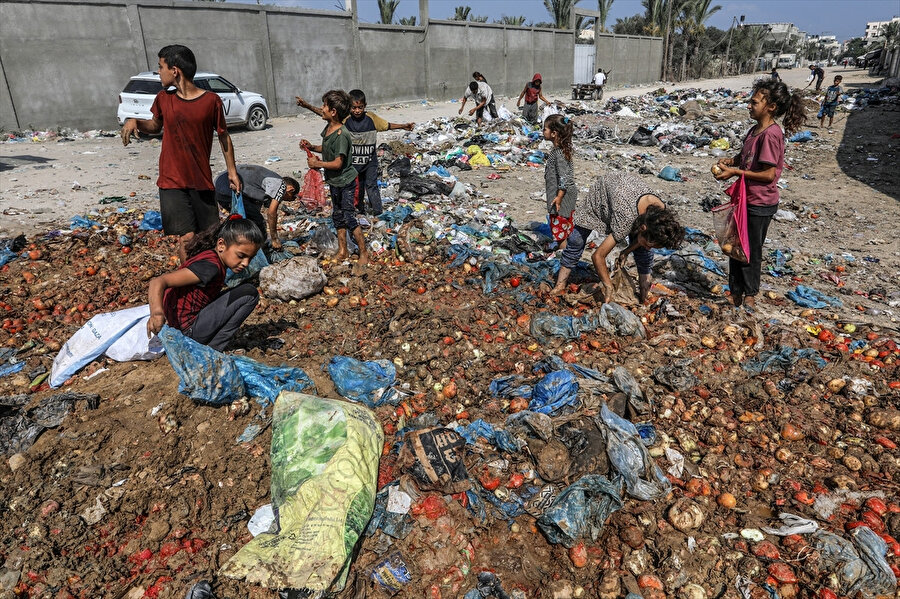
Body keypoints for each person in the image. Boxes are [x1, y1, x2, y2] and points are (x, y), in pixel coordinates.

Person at [120, 45, 241, 263]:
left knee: (208, 237)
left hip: (201, 180)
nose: (159, 72)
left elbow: (224, 137)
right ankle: (188, 282)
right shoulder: (164, 99)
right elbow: (155, 126)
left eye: (161, 67)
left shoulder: (211, 101)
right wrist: (135, 121)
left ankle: (208, 278)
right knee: (186, 238)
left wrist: (232, 172)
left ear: (175, 70)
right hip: (171, 180)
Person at [714, 78, 806, 309]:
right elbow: (748, 159)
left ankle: (750, 296)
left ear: (771, 107)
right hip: (744, 199)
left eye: (754, 102)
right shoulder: (754, 131)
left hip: (759, 203)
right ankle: (735, 292)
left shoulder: (771, 135)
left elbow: (768, 174)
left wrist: (735, 171)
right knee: (734, 246)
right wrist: (732, 161)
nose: (749, 106)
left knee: (750, 249)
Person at [550, 173, 684, 303]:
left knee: (644, 252)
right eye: (650, 244)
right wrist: (608, 286)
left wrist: (626, 251)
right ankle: (560, 285)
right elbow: (597, 256)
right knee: (577, 239)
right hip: (604, 191)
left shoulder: (660, 215)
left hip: (627, 192)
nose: (650, 247)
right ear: (642, 228)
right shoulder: (626, 218)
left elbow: (644, 240)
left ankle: (644, 292)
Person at [147, 217, 263, 351]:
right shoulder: (211, 268)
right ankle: (214, 348)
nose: (246, 263)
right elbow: (158, 281)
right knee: (250, 293)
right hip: (187, 332)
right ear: (221, 245)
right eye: (241, 256)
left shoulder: (211, 256)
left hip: (181, 325)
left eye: (251, 258)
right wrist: (156, 314)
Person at [296, 90, 413, 217]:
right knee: (358, 188)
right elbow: (327, 113)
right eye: (354, 108)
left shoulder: (372, 119)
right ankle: (360, 210)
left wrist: (403, 126)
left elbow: (387, 125)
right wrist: (307, 106)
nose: (357, 111)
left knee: (371, 186)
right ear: (348, 107)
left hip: (370, 162)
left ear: (365, 106)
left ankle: (378, 213)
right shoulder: (345, 120)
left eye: (360, 107)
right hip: (353, 164)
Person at [299, 90, 369, 269]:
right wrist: (312, 147)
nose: (321, 109)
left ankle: (363, 253)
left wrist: (317, 164)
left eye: (324, 106)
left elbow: (338, 163)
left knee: (349, 217)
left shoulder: (342, 135)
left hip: (346, 182)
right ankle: (343, 250)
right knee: (337, 216)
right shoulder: (329, 129)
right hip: (335, 182)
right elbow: (326, 147)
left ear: (333, 112)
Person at [213, 165, 299, 250]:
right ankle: (256, 251)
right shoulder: (281, 185)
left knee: (246, 221)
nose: (289, 201)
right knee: (257, 223)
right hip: (228, 186)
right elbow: (271, 213)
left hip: (219, 187)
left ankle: (233, 242)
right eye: (291, 198)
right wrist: (274, 239)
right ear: (290, 189)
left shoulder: (263, 186)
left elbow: (255, 209)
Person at [543, 115, 577, 251]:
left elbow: (564, 177)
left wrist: (559, 197)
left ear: (554, 133)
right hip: (562, 194)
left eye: (545, 129)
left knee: (560, 229)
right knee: (564, 225)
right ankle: (563, 249)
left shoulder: (559, 153)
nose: (543, 132)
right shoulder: (560, 151)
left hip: (562, 196)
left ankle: (564, 255)